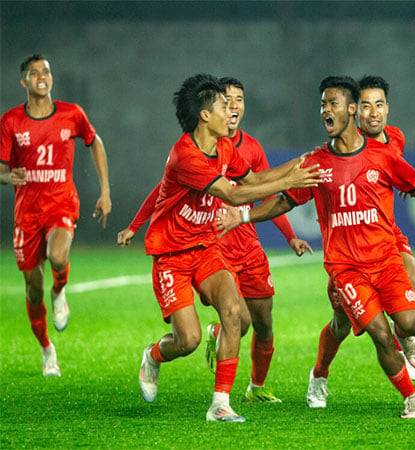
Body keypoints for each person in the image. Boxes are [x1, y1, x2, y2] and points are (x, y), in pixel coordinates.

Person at [216, 76, 415, 419]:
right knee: (374, 331)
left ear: (351, 109)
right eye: (322, 105)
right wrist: (243, 216)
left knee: (411, 323)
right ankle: (406, 395)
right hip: (346, 268)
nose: (325, 111)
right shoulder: (316, 163)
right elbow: (284, 201)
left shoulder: (383, 154)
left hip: (386, 260)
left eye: (331, 104)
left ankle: (364, 356)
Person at [116, 73, 320, 423]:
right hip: (171, 256)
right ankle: (153, 355)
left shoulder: (225, 147)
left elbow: (253, 180)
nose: (232, 111)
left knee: (233, 313)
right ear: (205, 115)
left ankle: (220, 404)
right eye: (225, 105)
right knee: (189, 340)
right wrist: (290, 181)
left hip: (206, 247)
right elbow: (234, 194)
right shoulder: (186, 156)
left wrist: (300, 163)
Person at [312, 75, 415, 393]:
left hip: (383, 233)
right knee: (341, 323)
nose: (373, 113)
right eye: (365, 106)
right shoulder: (344, 143)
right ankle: (319, 373)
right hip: (346, 247)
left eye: (379, 105)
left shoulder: (395, 138)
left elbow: (394, 170)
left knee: (410, 276)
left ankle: (404, 335)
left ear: (387, 108)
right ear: (353, 111)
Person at [0, 54, 111, 377]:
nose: (42, 76)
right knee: (33, 289)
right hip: (27, 214)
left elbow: (95, 141)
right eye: (34, 73)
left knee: (59, 256)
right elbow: (1, 169)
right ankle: (47, 349)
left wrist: (105, 190)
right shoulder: (10, 122)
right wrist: (8, 178)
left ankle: (60, 291)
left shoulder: (71, 114)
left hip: (61, 204)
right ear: (24, 82)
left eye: (46, 71)